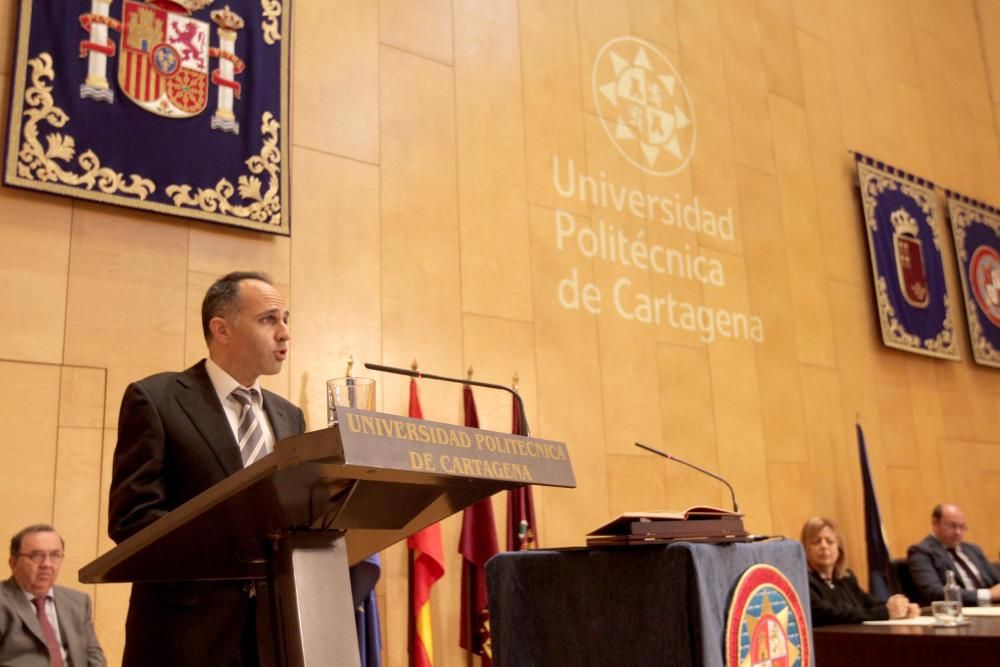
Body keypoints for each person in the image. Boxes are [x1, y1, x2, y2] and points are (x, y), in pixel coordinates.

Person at [109, 271, 305, 667]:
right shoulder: (157, 399)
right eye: (269, 319)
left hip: (275, 637)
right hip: (185, 638)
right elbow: (133, 519)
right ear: (222, 329)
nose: (284, 333)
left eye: (286, 319)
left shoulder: (290, 417)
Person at [0, 524, 106, 666]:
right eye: (36, 556)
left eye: (55, 555)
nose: (47, 564)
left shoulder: (79, 602)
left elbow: (94, 656)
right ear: (13, 562)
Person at [801, 517, 919, 626]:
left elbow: (870, 603)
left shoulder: (846, 578)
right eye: (816, 542)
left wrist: (902, 608)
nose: (824, 546)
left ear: (839, 548)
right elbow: (829, 615)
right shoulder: (804, 581)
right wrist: (885, 612)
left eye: (830, 541)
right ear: (805, 549)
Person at [907, 503, 1000, 606]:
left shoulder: (973, 549)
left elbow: (996, 579)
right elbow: (934, 592)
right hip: (960, 611)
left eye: (962, 527)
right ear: (935, 524)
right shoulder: (921, 552)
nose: (958, 532)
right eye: (952, 526)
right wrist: (987, 595)